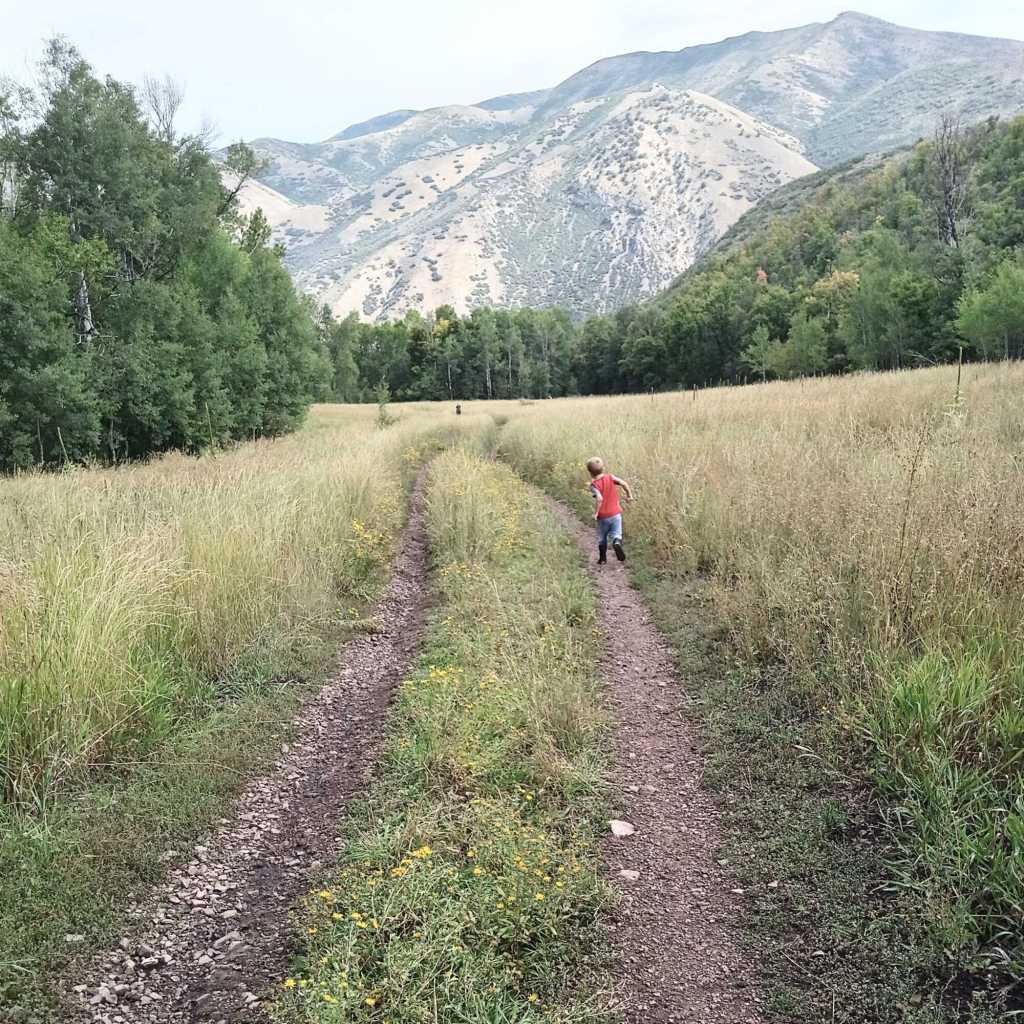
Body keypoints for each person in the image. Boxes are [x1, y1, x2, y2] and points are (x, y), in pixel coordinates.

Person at [586, 457, 633, 564]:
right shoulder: (610, 477)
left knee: (602, 537)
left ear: (590, 473)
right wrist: (629, 496)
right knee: (617, 534)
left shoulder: (593, 485)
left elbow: (599, 498)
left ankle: (602, 559)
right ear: (603, 468)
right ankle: (616, 542)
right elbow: (623, 483)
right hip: (616, 514)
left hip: (603, 517)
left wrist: (596, 513)